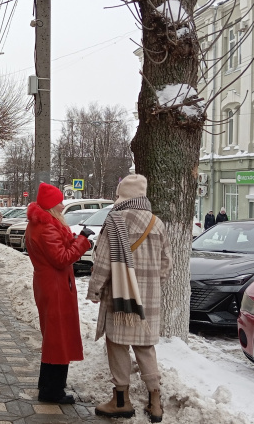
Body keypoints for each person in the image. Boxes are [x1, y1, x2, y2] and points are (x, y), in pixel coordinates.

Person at [87, 174, 172, 422]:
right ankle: (155, 402)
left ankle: (121, 401)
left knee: (117, 344)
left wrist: (95, 290)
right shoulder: (157, 223)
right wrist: (151, 286)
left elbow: (102, 261)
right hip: (148, 299)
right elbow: (166, 264)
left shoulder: (115, 219)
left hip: (119, 295)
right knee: (145, 346)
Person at [25, 183, 92, 404]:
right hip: (55, 286)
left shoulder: (43, 224)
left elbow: (59, 249)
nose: (63, 206)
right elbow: (62, 258)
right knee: (58, 337)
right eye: (59, 202)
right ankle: (52, 391)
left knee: (54, 336)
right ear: (51, 205)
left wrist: (78, 238)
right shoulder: (47, 227)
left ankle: (48, 384)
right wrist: (82, 241)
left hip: (52, 284)